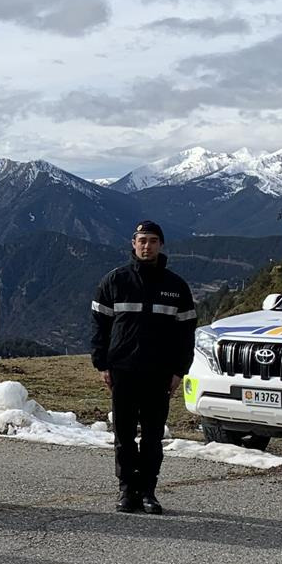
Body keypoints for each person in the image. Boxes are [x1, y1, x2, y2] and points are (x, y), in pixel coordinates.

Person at [90, 220, 196, 514]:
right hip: (123, 369)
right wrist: (101, 363)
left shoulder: (176, 286)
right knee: (123, 434)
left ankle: (149, 491)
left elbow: (187, 334)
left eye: (152, 240)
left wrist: (179, 370)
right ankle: (126, 490)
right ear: (133, 244)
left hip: (159, 372)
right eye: (141, 240)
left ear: (161, 245)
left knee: (152, 435)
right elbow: (100, 328)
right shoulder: (115, 281)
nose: (146, 246)